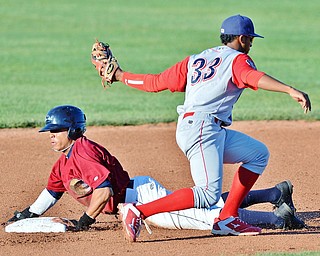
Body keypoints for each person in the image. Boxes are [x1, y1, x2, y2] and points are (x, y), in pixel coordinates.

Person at [91, 14, 311, 240]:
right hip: (202, 129)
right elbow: (253, 77)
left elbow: (156, 83)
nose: (251, 44)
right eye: (251, 40)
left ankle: (227, 217)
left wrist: (119, 75)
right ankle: (138, 211)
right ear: (242, 38)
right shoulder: (238, 60)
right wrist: (289, 90)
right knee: (207, 194)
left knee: (257, 154)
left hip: (204, 128)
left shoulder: (196, 59)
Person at [6, 105, 305, 236]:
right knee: (208, 204)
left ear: (72, 130)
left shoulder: (82, 150)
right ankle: (274, 193)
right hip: (140, 192)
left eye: (56, 130)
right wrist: (28, 214)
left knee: (208, 219)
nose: (51, 135)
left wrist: (84, 221)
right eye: (50, 130)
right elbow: (52, 192)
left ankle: (278, 220)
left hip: (141, 197)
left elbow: (105, 190)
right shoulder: (63, 161)